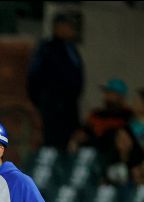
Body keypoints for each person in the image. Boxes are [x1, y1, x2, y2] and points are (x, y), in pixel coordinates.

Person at [27, 13, 84, 150]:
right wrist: (41, 100)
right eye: (68, 26)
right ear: (58, 27)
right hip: (52, 105)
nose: (71, 30)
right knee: (52, 141)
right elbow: (33, 75)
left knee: (69, 140)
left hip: (69, 106)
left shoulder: (71, 49)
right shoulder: (47, 48)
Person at [69, 78, 132, 154]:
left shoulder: (129, 115)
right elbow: (84, 131)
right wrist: (76, 138)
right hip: (90, 154)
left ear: (120, 96)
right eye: (106, 93)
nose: (106, 96)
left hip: (113, 156)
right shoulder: (96, 113)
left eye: (110, 93)